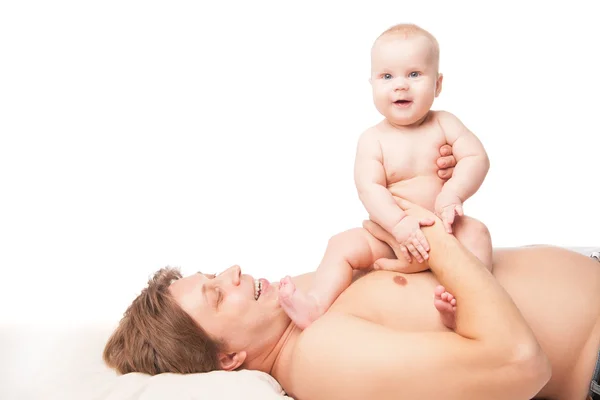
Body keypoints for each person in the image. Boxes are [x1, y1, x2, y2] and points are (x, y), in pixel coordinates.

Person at [103, 204, 600, 398]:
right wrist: (432, 235)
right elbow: (519, 364)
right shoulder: (322, 357)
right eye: (216, 294)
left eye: (213, 274)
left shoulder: (295, 309)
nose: (232, 272)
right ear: (228, 359)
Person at [277, 23, 488, 329]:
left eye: (414, 74)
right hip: (390, 239)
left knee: (478, 235)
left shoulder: (446, 123)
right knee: (342, 244)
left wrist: (452, 194)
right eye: (387, 76)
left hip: (445, 231)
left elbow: (476, 157)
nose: (400, 85)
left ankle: (468, 307)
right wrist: (400, 226)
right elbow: (369, 187)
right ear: (371, 83)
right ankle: (315, 304)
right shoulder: (373, 139)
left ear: (438, 84)